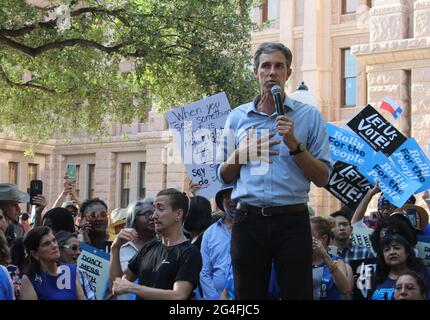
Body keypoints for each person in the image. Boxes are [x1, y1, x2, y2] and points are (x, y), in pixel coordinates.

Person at [216, 42, 332, 299]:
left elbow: (323, 177)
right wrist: (241, 154)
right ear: (255, 72)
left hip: (292, 221)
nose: (272, 72)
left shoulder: (309, 116)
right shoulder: (237, 117)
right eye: (265, 66)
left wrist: (294, 144)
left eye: (279, 66)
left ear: (288, 73)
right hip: (248, 220)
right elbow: (222, 175)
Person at [109, 188, 202, 299]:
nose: (154, 216)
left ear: (178, 214)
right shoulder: (148, 248)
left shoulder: (189, 252)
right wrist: (115, 247)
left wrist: (133, 288)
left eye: (160, 209)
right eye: (154, 209)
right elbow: (117, 285)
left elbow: (178, 296)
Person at [20, 226, 86, 300]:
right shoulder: (29, 279)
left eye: (54, 240)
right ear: (35, 254)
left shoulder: (71, 270)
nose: (54, 246)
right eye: (46, 244)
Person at [116, 198, 156, 300]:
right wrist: (114, 248)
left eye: (155, 212)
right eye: (147, 213)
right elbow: (115, 283)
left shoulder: (165, 247)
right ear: (133, 218)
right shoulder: (120, 248)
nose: (153, 217)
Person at [200, 186, 235, 299]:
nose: (232, 200)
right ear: (221, 200)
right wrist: (215, 298)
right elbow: (204, 272)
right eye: (227, 195)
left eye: (236, 194)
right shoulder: (210, 233)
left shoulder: (253, 230)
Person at [370, 234, 429, 300]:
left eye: (397, 248)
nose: (392, 252)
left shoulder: (421, 275)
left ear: (407, 253)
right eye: (387, 250)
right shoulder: (378, 277)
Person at [310, 216, 353, 300]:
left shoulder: (337, 261)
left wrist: (325, 256)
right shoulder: (301, 262)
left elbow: (346, 290)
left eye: (308, 234)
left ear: (323, 239)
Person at [55, 231, 97, 300]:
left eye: (80, 249)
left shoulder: (82, 273)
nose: (78, 252)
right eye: (74, 248)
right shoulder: (44, 273)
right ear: (59, 249)